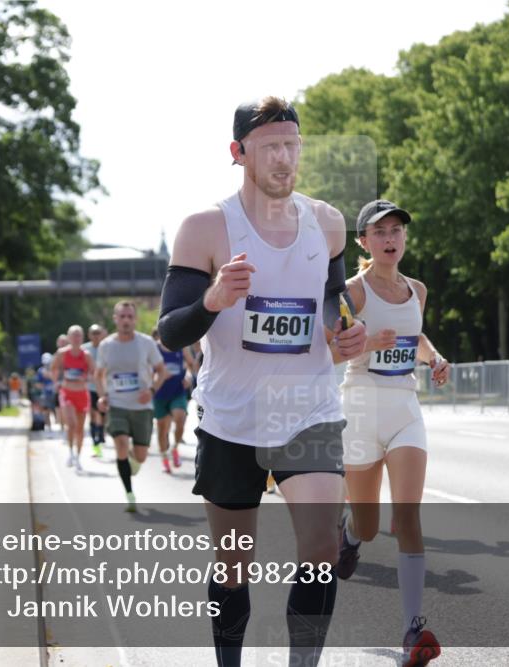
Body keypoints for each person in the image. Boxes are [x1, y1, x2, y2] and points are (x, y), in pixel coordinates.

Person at [157, 96, 366, 667]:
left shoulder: (326, 223)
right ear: (238, 152)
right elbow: (171, 333)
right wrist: (213, 298)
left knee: (321, 547)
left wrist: (342, 330)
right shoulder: (205, 228)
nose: (284, 157)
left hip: (308, 405)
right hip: (231, 415)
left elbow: (331, 299)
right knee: (233, 563)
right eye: (270, 145)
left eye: (292, 145)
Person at [333, 200, 449, 667]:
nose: (390, 238)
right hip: (360, 408)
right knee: (368, 524)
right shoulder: (352, 292)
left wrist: (434, 358)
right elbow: (329, 351)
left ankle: (411, 630)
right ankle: (351, 537)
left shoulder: (417, 289)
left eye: (397, 230)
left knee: (407, 518)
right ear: (364, 241)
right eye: (380, 232)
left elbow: (416, 338)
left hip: (404, 407)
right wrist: (364, 342)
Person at [95, 301, 166, 512]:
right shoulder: (106, 346)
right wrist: (102, 396)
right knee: (121, 445)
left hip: (142, 407)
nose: (126, 320)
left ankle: (129, 465)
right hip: (117, 404)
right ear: (115, 319)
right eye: (122, 316)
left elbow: (161, 371)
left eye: (129, 316)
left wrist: (151, 390)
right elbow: (98, 375)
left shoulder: (146, 343)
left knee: (141, 455)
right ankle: (129, 494)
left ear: (135, 319)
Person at [151, 327, 198, 473]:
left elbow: (191, 366)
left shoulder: (181, 347)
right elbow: (146, 369)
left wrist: (189, 377)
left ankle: (175, 448)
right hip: (159, 393)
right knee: (162, 428)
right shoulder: (154, 349)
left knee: (180, 418)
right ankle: (164, 457)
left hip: (178, 391)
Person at [51, 325, 96, 471]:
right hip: (67, 392)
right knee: (71, 424)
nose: (76, 338)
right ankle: (70, 452)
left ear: (82, 338)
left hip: (82, 393)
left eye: (79, 335)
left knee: (80, 429)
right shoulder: (62, 353)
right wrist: (56, 381)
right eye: (74, 335)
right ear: (69, 338)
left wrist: (87, 377)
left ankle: (77, 456)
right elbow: (54, 368)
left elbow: (94, 372)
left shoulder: (87, 355)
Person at [82, 323, 108, 457]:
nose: (96, 336)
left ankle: (101, 432)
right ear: (89, 335)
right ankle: (95, 441)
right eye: (94, 333)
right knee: (92, 415)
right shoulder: (84, 349)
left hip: (104, 388)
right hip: (90, 388)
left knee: (102, 415)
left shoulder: (107, 347)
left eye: (98, 332)